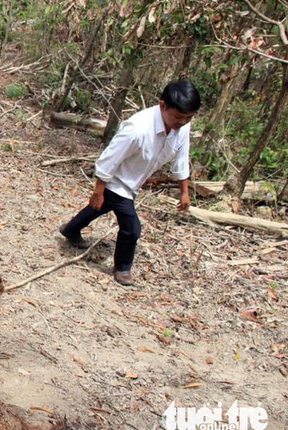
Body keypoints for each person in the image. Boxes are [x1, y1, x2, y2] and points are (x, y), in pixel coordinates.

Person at [58, 79, 201, 286]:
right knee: (131, 228)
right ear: (162, 105)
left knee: (99, 207)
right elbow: (109, 159)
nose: (183, 122)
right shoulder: (138, 128)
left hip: (133, 182)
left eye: (188, 118)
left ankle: (70, 229)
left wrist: (184, 192)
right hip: (117, 181)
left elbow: (181, 158)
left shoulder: (182, 126)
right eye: (179, 117)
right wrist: (98, 190)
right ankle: (123, 268)